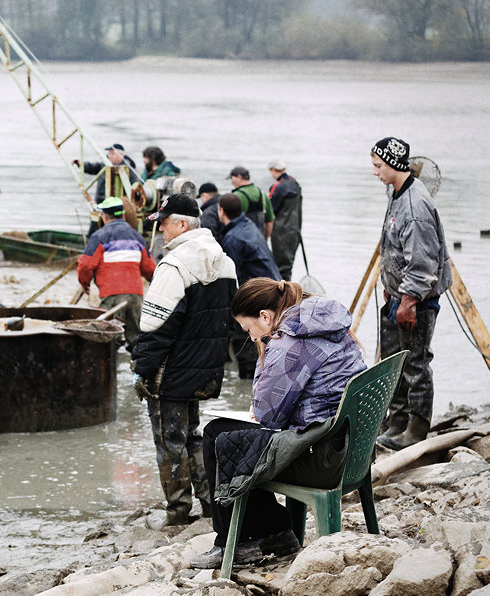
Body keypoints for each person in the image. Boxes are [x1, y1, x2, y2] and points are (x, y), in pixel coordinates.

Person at [191, 278, 367, 569]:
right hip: (351, 447)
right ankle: (276, 531)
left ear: (265, 316)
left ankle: (231, 542)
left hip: (323, 459)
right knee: (242, 439)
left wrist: (266, 349)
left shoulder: (289, 343)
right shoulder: (325, 325)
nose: (250, 338)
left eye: (248, 329)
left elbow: (268, 416)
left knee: (216, 435)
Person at [131, 194, 237, 530]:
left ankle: (177, 514)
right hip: (205, 372)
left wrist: (141, 370)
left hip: (170, 375)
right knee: (194, 437)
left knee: (169, 443)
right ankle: (209, 509)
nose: (161, 231)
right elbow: (229, 322)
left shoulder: (173, 265)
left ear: (181, 224)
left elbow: (155, 328)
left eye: (163, 223)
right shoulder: (225, 263)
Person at [371, 137, 451, 450]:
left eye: (378, 166)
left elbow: (422, 261)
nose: (375, 172)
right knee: (395, 362)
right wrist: (391, 289)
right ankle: (397, 421)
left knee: (416, 363)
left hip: (416, 301)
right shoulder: (397, 193)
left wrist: (408, 300)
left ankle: (416, 431)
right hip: (397, 295)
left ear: (394, 165)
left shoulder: (415, 205)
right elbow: (396, 248)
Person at [77, 197, 156, 349]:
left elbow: (85, 265)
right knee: (137, 342)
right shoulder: (137, 237)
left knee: (109, 341)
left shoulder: (99, 236)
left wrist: (84, 283)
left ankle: (111, 369)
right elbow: (150, 269)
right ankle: (140, 370)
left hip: (112, 296)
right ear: (124, 215)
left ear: (104, 217)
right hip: (135, 296)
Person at [218, 193, 281, 379]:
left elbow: (231, 277)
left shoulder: (233, 238)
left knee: (243, 338)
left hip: (258, 295)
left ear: (221, 211)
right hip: (273, 287)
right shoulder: (249, 226)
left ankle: (246, 380)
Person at [267, 159, 303, 281]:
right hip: (295, 229)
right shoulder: (295, 183)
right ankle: (289, 290)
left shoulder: (277, 186)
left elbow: (270, 210)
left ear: (273, 170)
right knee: (288, 266)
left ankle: (281, 293)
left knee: (279, 266)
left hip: (281, 231)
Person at [229, 166, 274, 240]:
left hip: (242, 242)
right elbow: (269, 222)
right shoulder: (263, 195)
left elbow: (229, 222)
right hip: (259, 242)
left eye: (232, 178)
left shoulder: (236, 196)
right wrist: (264, 240)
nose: (231, 181)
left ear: (239, 177)